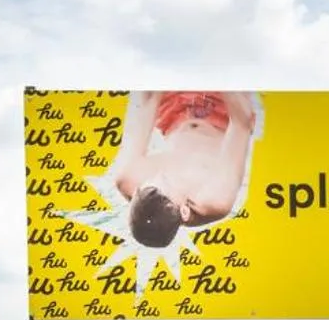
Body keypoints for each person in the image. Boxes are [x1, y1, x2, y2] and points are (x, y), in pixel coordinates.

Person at [109, 90, 263, 249]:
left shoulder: (129, 180)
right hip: (224, 113)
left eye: (143, 187)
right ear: (184, 211)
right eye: (166, 179)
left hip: (175, 110)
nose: (157, 175)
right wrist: (223, 81)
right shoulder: (215, 199)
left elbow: (148, 99)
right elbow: (242, 122)